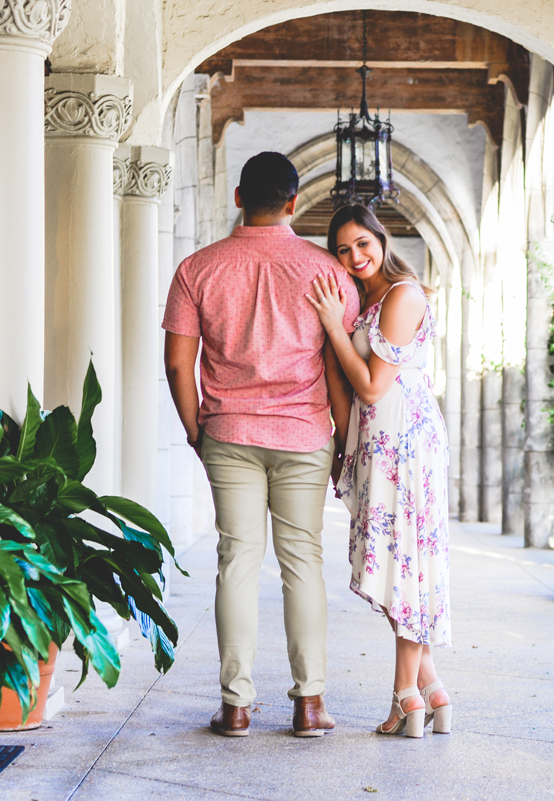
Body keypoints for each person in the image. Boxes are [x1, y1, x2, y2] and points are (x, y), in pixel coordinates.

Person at [162, 152, 360, 738]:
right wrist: (343, 442)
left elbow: (178, 363)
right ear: (295, 202)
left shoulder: (197, 268)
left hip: (228, 431)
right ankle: (309, 704)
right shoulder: (329, 274)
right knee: (303, 563)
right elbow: (337, 368)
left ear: (239, 197)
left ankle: (237, 705)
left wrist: (196, 429)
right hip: (304, 435)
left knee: (237, 563)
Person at [305, 203, 453, 739]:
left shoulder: (403, 294)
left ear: (381, 240)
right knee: (395, 565)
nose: (355, 256)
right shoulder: (362, 300)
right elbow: (344, 388)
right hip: (375, 439)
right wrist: (345, 451)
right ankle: (431, 689)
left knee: (407, 565)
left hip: (406, 441)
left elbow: (371, 384)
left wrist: (331, 328)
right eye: (343, 249)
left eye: (362, 243)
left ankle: (406, 699)